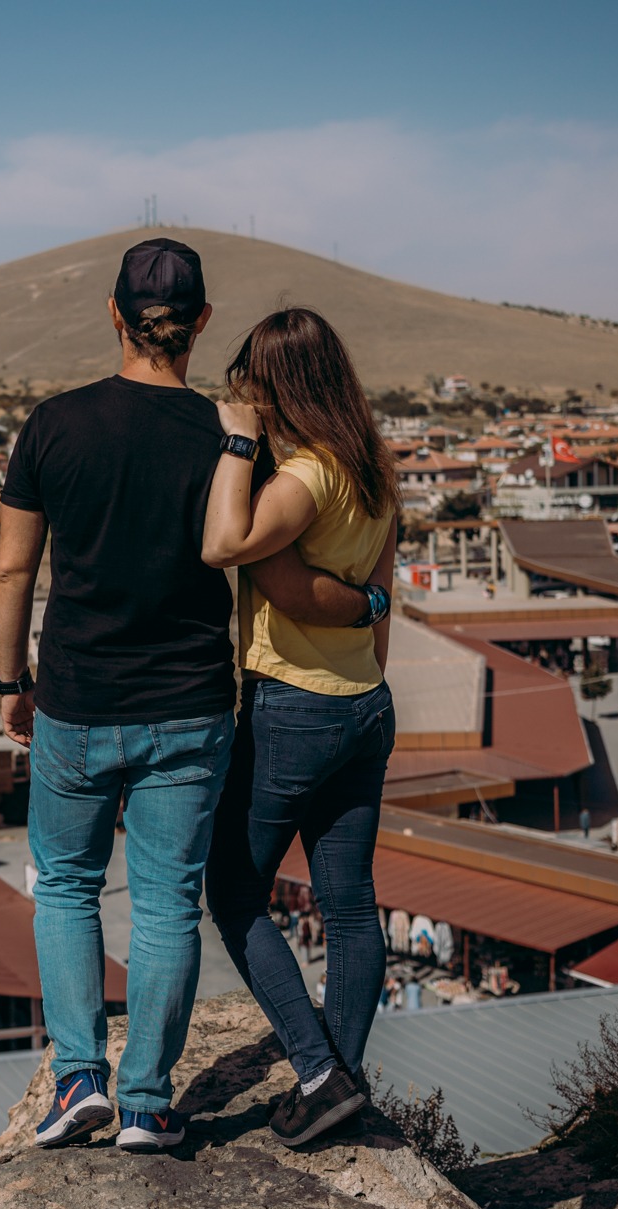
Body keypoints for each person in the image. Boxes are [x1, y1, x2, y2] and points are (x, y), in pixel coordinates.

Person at [0, 241, 371, 1154]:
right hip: (192, 707)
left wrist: (11, 682)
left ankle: (77, 1079)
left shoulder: (53, 423)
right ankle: (146, 1105)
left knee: (67, 885)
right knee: (166, 902)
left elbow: (11, 570)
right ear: (201, 323)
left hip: (77, 698)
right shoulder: (233, 437)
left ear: (114, 315)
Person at [200, 306, 401, 1148]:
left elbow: (223, 544)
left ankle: (318, 1074)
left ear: (279, 384)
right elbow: (382, 599)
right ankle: (339, 1084)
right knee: (350, 906)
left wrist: (238, 441)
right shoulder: (374, 468)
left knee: (234, 891)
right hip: (365, 703)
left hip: (294, 705)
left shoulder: (308, 475)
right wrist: (364, 667)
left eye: (253, 382)